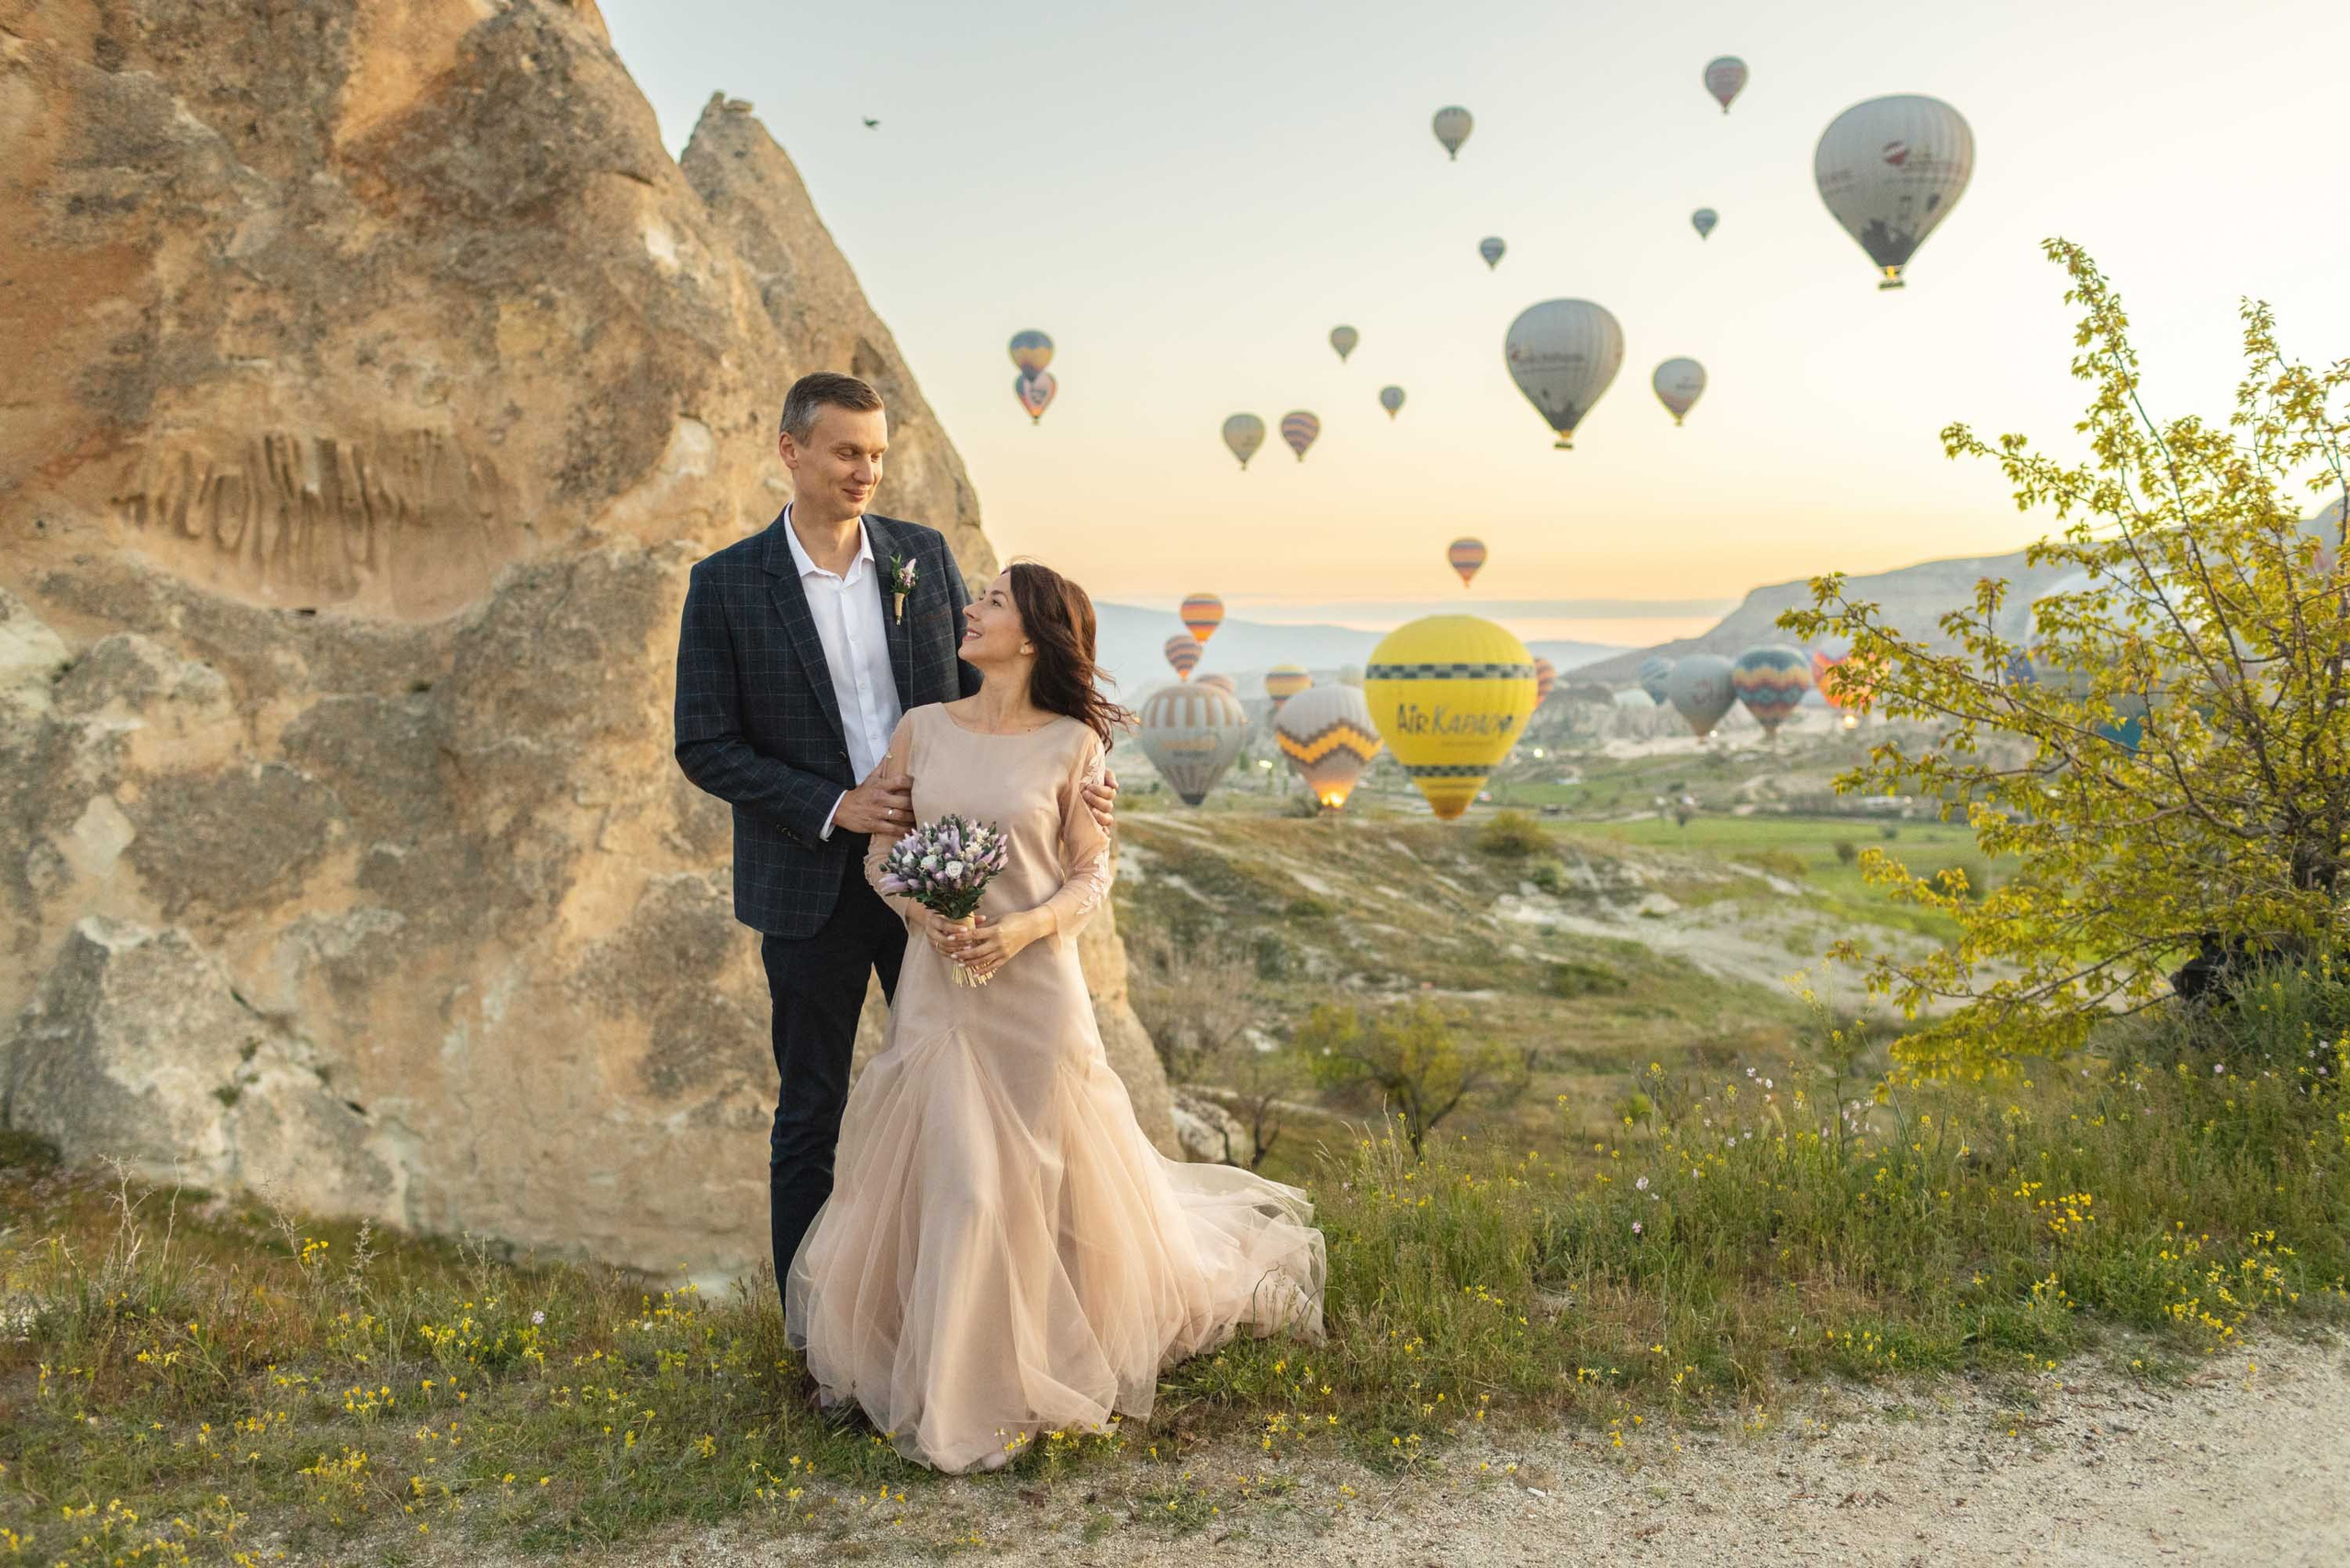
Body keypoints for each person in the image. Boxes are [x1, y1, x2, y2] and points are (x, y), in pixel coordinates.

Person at [786, 561, 1326, 1473]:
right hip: (940, 992)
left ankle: (1038, 1362)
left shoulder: (1076, 746)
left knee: (1044, 1187)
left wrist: (1018, 930)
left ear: (1032, 636)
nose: (970, 608)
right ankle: (959, 1394)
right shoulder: (920, 730)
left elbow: (1091, 873)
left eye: (991, 600)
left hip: (1038, 995)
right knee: (965, 1186)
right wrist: (930, 916)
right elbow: (882, 854)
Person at [672, 372, 1116, 1319]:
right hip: (808, 885)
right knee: (811, 1116)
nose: (865, 470)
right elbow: (703, 744)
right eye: (845, 452)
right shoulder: (724, 586)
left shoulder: (920, 554)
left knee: (974, 1105)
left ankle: (969, 1320)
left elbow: (1003, 683)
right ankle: (812, 1333)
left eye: (876, 453)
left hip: (952, 889)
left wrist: (1078, 764)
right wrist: (837, 804)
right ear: (790, 451)